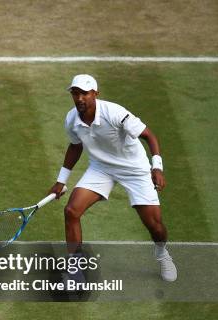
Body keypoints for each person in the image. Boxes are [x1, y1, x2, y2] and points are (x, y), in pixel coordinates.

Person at [49, 74, 177, 282]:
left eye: (84, 93)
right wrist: (61, 180)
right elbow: (75, 146)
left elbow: (149, 136)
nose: (79, 98)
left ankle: (162, 254)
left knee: (154, 225)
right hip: (101, 168)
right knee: (72, 211)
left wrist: (157, 168)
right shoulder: (71, 119)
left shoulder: (115, 113)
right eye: (75, 93)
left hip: (134, 169)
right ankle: (75, 268)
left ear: (95, 94)